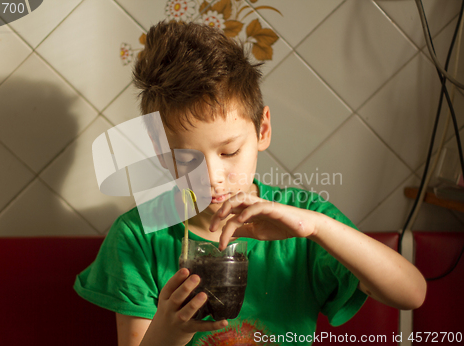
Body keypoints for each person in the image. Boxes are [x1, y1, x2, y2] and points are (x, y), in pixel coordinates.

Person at [74, 20, 426, 346]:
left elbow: (411, 294)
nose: (210, 178)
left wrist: (316, 228)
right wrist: (171, 330)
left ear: (263, 130)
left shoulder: (304, 220)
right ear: (158, 150)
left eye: (229, 152)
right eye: (185, 159)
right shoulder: (137, 237)